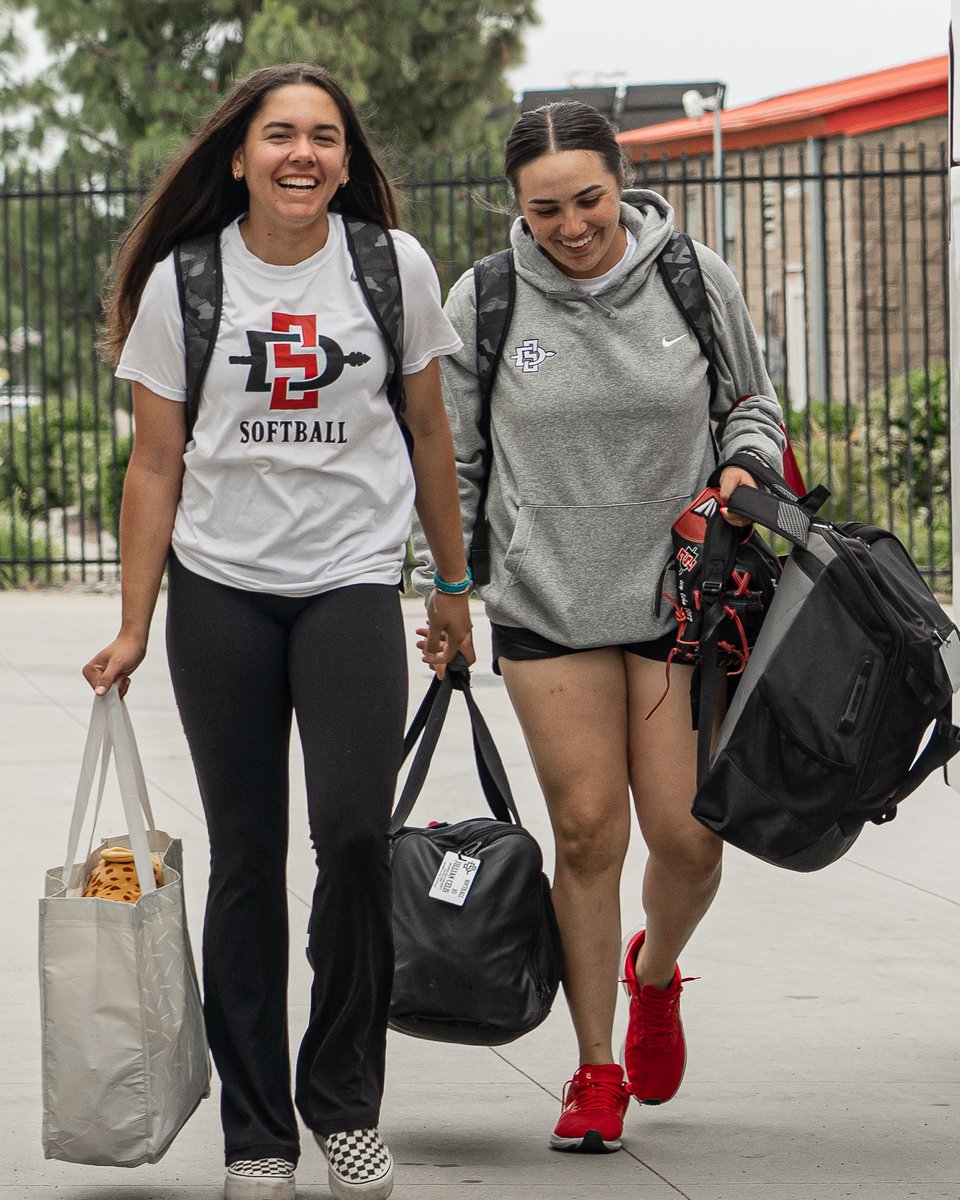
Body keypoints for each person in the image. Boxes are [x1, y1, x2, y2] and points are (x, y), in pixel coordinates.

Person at [83, 63, 473, 1200]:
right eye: (278, 135)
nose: (300, 153)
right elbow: (155, 465)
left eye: (323, 137)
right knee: (246, 861)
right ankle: (257, 1134)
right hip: (223, 590)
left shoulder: (391, 267)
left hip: (350, 581)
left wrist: (450, 585)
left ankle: (343, 1100)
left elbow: (431, 432)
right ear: (242, 155)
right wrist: (133, 622)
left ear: (348, 161)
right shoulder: (186, 281)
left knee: (354, 836)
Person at [414, 101, 785, 1154]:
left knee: (687, 839)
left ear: (621, 183)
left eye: (588, 200)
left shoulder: (691, 278)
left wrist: (744, 464)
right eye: (545, 209)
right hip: (548, 600)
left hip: (684, 596)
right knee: (586, 836)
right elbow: (455, 459)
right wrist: (445, 584)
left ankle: (654, 974)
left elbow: (750, 403)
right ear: (513, 206)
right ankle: (593, 1066)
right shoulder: (484, 299)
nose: (571, 226)